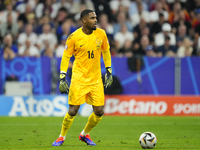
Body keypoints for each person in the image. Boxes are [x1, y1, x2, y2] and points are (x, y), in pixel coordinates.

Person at [52, 9, 113, 146]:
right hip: (79, 78)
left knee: (99, 111)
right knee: (73, 110)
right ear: (84, 20)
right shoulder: (74, 37)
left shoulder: (101, 34)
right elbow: (66, 57)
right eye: (92, 18)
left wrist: (109, 70)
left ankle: (84, 134)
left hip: (96, 79)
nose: (95, 20)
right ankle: (61, 136)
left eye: (95, 17)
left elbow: (106, 51)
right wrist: (63, 77)